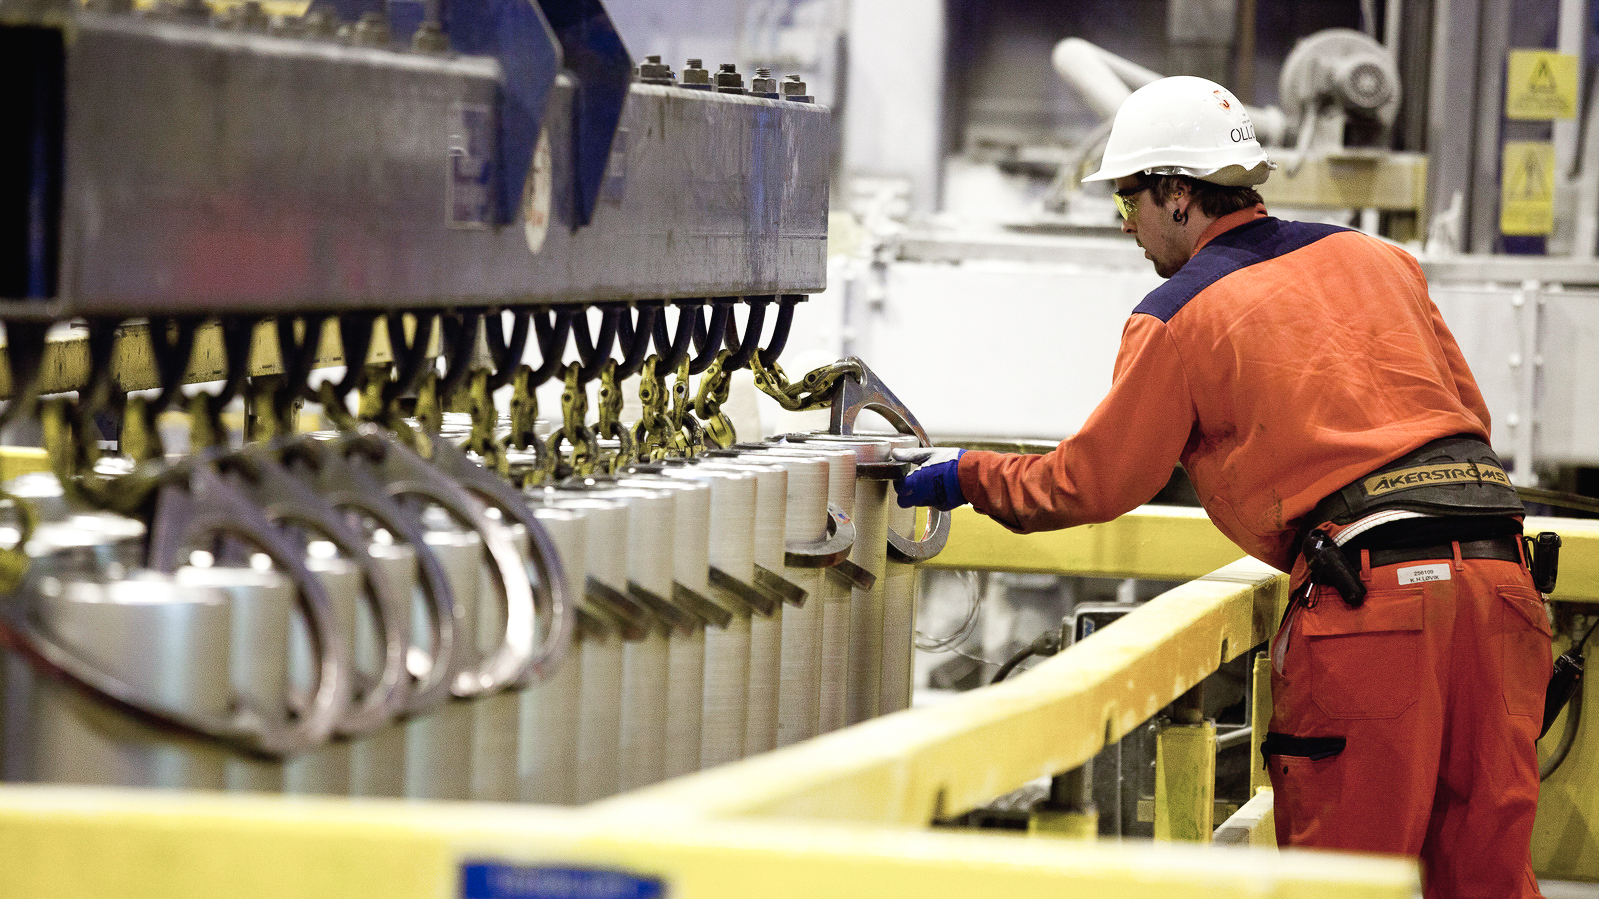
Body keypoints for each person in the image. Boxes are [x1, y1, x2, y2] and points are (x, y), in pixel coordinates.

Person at [894, 75, 1550, 899]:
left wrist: (963, 475)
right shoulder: (1380, 260)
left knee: (1342, 884)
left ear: (1175, 194)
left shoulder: (1177, 314)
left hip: (1373, 611)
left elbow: (1091, 482)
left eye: (1125, 202)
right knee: (1488, 877)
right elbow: (1467, 417)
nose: (1125, 226)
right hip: (1501, 583)